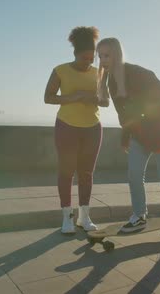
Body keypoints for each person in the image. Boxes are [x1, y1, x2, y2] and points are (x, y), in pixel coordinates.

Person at [96, 37, 160, 247]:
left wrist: (142, 115)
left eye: (107, 55)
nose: (102, 60)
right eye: (100, 55)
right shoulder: (111, 80)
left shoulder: (138, 73)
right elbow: (123, 113)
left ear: (117, 54)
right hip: (139, 138)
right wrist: (125, 135)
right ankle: (139, 216)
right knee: (134, 176)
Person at [44, 26, 109, 234]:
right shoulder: (60, 70)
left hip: (92, 128)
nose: (88, 62)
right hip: (67, 127)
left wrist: (91, 98)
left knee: (86, 173)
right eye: (84, 58)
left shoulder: (99, 72)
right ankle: (67, 218)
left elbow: (106, 101)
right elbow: (48, 97)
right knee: (66, 172)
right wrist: (73, 97)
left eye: (92, 59)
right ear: (75, 53)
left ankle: (85, 216)